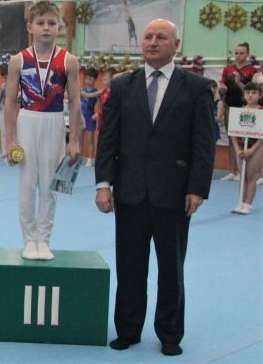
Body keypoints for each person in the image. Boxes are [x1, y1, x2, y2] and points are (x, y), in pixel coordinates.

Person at [95, 19, 215, 356]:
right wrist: (103, 184)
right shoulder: (122, 86)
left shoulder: (196, 88)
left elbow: (203, 144)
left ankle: (170, 334)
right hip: (130, 192)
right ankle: (128, 329)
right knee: (129, 267)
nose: (152, 42)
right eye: (148, 37)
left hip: (174, 194)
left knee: (171, 270)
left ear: (176, 44)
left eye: (161, 37)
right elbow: (108, 140)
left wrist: (197, 189)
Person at [4, 0, 81, 261]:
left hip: (54, 122)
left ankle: (44, 240)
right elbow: (9, 102)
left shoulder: (69, 61)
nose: (46, 28)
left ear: (59, 27)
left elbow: (75, 102)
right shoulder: (18, 61)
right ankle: (29, 240)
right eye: (40, 23)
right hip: (27, 120)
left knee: (49, 184)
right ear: (30, 27)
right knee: (27, 184)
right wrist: (9, 141)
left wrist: (74, 140)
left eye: (51, 23)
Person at [219, 43, 257, 181]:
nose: (238, 56)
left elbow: (252, 91)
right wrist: (222, 88)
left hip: (245, 107)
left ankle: (244, 170)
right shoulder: (228, 69)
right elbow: (222, 83)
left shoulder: (252, 70)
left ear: (247, 54)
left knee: (245, 139)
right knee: (231, 139)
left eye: (241, 53)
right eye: (236, 53)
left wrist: (238, 82)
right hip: (230, 106)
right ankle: (232, 171)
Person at [230, 82, 262, 215]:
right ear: (244, 95)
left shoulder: (261, 112)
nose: (250, 95)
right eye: (248, 92)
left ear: (260, 95)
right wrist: (237, 149)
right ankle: (241, 202)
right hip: (241, 147)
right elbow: (233, 132)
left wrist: (252, 150)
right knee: (242, 175)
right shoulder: (239, 111)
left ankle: (248, 204)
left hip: (256, 147)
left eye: (254, 93)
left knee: (250, 175)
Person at [80, 68, 101, 167]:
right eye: (86, 78)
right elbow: (79, 102)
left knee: (91, 140)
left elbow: (101, 105)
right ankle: (79, 158)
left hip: (90, 117)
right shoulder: (82, 90)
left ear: (95, 80)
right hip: (81, 117)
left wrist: (97, 114)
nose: (87, 81)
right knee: (80, 139)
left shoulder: (96, 92)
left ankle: (90, 159)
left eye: (90, 79)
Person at [0, 64, 9, 158]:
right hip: (2, 109)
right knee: (3, 131)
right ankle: (4, 150)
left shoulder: (17, 85)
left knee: (13, 131)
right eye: (4, 77)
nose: (5, 79)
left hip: (12, 109)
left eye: (7, 77)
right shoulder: (3, 86)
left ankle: (13, 151)